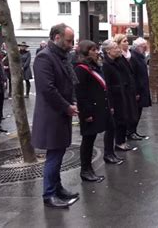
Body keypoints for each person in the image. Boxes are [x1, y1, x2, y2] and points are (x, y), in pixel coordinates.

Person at [32, 23, 80, 209]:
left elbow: (69, 84)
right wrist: (67, 107)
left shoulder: (61, 57)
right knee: (54, 156)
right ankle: (49, 194)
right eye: (68, 41)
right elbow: (47, 89)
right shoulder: (45, 57)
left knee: (58, 154)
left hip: (60, 113)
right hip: (52, 116)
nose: (71, 44)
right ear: (57, 37)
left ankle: (57, 189)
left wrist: (72, 103)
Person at [74, 40, 124, 182]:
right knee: (88, 141)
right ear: (85, 52)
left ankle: (100, 161)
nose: (97, 52)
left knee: (106, 130)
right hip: (90, 111)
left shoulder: (94, 67)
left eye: (97, 49)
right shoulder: (81, 69)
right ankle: (86, 170)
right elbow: (81, 93)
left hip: (101, 107)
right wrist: (86, 114)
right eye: (93, 50)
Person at [102, 35, 138, 152]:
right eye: (115, 48)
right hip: (115, 97)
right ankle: (118, 143)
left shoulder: (118, 61)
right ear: (108, 51)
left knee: (123, 119)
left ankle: (121, 141)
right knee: (118, 122)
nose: (118, 50)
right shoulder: (107, 65)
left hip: (122, 94)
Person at [128, 37, 151, 140]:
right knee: (135, 112)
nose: (145, 48)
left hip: (142, 88)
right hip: (138, 89)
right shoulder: (134, 57)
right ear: (138, 47)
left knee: (138, 111)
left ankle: (133, 131)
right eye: (143, 46)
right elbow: (133, 76)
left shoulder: (139, 56)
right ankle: (131, 132)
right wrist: (136, 92)